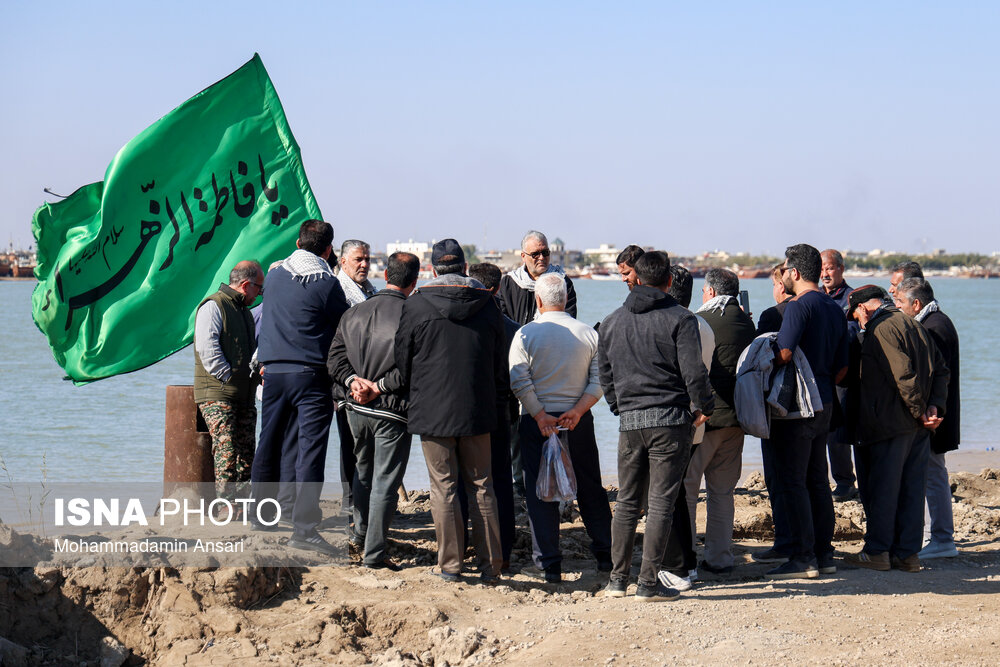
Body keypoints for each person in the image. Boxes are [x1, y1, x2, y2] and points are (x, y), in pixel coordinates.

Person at [598, 251, 713, 601]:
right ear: (667, 282)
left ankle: (618, 581)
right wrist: (706, 406)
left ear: (635, 278)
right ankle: (648, 584)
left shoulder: (612, 320)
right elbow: (693, 373)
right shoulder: (680, 318)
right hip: (670, 420)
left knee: (628, 503)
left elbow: (605, 373)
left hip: (631, 422)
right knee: (661, 502)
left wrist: (619, 406)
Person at [395, 239, 506, 582]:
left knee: (443, 487)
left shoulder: (417, 305)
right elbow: (499, 359)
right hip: (477, 408)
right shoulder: (488, 305)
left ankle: (451, 566)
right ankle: (491, 566)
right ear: (465, 267)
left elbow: (403, 359)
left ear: (432, 269)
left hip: (433, 409)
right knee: (482, 486)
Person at [251, 220, 350, 555]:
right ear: (327, 249)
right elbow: (345, 324)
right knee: (310, 450)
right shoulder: (325, 282)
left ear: (297, 242)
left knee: (268, 442)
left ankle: (260, 515)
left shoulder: (276, 274)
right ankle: (304, 528)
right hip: (309, 375)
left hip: (273, 372)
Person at [508, 272, 613, 583]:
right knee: (590, 488)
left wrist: (540, 414)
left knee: (541, 492)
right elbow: (600, 381)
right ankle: (606, 556)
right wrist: (578, 410)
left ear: (538, 301)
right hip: (577, 420)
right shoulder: (587, 334)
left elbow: (519, 380)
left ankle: (549, 565)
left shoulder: (526, 334)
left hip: (537, 422)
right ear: (566, 299)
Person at [844, 285, 949, 573]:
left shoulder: (882, 328)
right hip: (916, 427)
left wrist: (920, 412)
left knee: (882, 488)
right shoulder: (914, 324)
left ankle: (878, 551)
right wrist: (933, 408)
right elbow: (941, 370)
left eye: (855, 316)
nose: (857, 322)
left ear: (863, 308)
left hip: (889, 425)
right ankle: (907, 555)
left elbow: (904, 375)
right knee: (911, 490)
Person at [327, 252, 420, 570]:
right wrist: (378, 386)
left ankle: (360, 535)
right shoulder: (413, 315)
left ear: (385, 274)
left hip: (355, 407)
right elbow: (412, 369)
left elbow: (334, 359)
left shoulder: (355, 312)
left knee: (363, 475)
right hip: (391, 409)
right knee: (385, 481)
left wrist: (354, 382)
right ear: (414, 281)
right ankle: (374, 554)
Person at [765, 244, 848, 580]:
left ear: (794, 273)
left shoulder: (799, 306)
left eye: (786, 269)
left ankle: (802, 557)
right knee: (817, 479)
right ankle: (824, 553)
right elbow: (843, 368)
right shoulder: (833, 306)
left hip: (800, 404)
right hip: (826, 400)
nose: (784, 275)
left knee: (793, 480)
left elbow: (784, 353)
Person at [686, 268, 756, 575]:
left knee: (688, 488)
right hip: (737, 419)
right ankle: (720, 557)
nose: (702, 295)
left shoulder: (702, 322)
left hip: (706, 419)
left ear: (712, 292)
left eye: (703, 291)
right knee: (723, 492)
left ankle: (685, 553)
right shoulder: (747, 322)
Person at [893, 278, 961, 560]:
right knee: (932, 475)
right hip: (937, 414)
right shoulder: (936, 321)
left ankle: (943, 538)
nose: (897, 308)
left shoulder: (932, 327)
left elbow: (932, 376)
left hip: (935, 417)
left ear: (916, 304)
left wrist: (928, 411)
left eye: (900, 303)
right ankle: (937, 536)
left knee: (933, 476)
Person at [458, 262, 518, 571]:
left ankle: (466, 547)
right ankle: (502, 550)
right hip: (501, 410)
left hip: (469, 411)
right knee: (499, 483)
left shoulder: (468, 322)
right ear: (497, 289)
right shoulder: (511, 327)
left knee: (464, 482)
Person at [658, 264, 715, 592]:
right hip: (696, 422)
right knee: (678, 492)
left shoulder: (676, 323)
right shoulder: (703, 325)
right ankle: (686, 562)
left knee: (671, 494)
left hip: (677, 419)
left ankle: (679, 564)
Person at [193, 260, 264, 507]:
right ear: (246, 285)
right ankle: (226, 504)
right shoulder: (214, 306)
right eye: (259, 288)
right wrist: (229, 377)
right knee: (226, 448)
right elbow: (207, 348)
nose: (260, 294)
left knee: (246, 449)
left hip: (243, 393)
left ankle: (242, 503)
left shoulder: (243, 310)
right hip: (217, 392)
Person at [750, 264, 796, 566]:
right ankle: (816, 544)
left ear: (781, 285)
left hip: (780, 405)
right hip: (818, 403)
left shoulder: (774, 315)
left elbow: (759, 358)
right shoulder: (823, 310)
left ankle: (785, 542)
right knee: (811, 479)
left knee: (779, 477)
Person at [334, 239, 377, 526]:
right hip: (346, 380)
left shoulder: (371, 290)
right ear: (342, 261)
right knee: (350, 444)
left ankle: (367, 501)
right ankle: (350, 503)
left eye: (366, 259)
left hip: (372, 380)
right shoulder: (337, 291)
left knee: (369, 446)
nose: (364, 264)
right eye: (358, 259)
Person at [820, 249, 859, 502]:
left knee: (839, 433)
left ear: (841, 269)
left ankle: (845, 481)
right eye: (822, 269)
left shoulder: (851, 298)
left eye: (830, 268)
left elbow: (855, 334)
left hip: (844, 375)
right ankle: (824, 481)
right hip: (819, 373)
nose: (825, 273)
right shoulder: (813, 296)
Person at [497, 230, 578, 324]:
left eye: (545, 252)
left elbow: (569, 318)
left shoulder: (561, 282)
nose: (541, 258)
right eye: (535, 254)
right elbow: (501, 317)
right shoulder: (509, 282)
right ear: (523, 256)